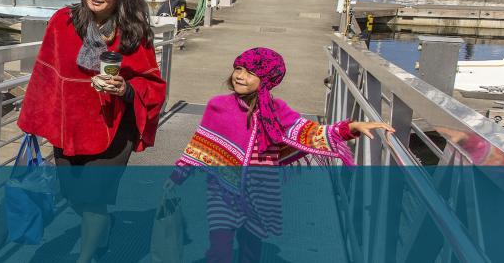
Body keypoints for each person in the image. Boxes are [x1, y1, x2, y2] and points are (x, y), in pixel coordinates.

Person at [168, 47, 393, 263]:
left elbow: (309, 132)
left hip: (261, 190)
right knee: (219, 249)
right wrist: (176, 178)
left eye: (250, 73)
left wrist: (350, 127)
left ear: (266, 80)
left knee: (251, 250)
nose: (240, 76)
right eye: (238, 69)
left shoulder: (277, 110)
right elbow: (199, 148)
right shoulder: (218, 105)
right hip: (222, 191)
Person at [17, 0, 167, 263]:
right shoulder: (62, 21)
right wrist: (35, 119)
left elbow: (152, 84)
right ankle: (104, 227)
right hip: (69, 126)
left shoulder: (134, 33)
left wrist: (126, 89)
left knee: (94, 200)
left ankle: (85, 257)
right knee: (74, 195)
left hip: (113, 129)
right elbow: (46, 72)